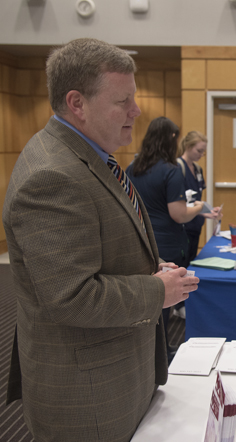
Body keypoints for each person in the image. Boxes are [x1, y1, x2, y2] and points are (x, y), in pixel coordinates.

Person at [2, 38, 199, 442]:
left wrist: (148, 270)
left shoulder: (90, 156)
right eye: (122, 101)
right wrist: (154, 291)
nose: (136, 110)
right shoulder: (52, 176)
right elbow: (70, 297)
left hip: (115, 373)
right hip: (86, 397)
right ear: (77, 103)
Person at [126, 118, 209, 346]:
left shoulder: (131, 169)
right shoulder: (170, 171)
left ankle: (151, 351)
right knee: (164, 301)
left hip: (141, 241)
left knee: (148, 299)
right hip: (168, 243)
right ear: (172, 141)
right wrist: (201, 207)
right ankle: (161, 353)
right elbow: (179, 214)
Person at [177, 131, 221, 265]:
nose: (201, 155)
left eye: (204, 152)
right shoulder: (177, 168)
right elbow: (182, 202)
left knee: (192, 260)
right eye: (199, 151)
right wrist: (202, 211)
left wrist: (209, 211)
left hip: (196, 224)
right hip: (183, 227)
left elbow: (197, 199)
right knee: (183, 263)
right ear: (188, 147)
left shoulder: (197, 169)